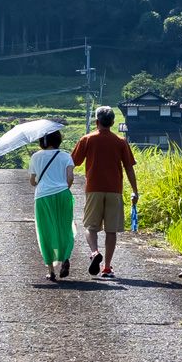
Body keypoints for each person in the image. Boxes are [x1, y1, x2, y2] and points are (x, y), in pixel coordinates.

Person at [70, 106, 138, 278]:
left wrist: (65, 185)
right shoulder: (121, 141)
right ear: (113, 122)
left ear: (96, 122)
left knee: (90, 227)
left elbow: (73, 163)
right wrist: (135, 191)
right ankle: (107, 267)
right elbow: (129, 168)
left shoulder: (87, 139)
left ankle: (94, 252)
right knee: (111, 230)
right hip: (115, 190)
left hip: (93, 188)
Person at [27, 130, 75, 282]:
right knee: (65, 227)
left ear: (43, 141)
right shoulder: (66, 156)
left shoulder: (35, 156)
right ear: (58, 140)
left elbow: (33, 181)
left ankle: (51, 271)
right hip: (63, 194)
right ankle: (65, 257)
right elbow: (70, 179)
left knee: (45, 231)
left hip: (43, 196)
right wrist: (61, 187)